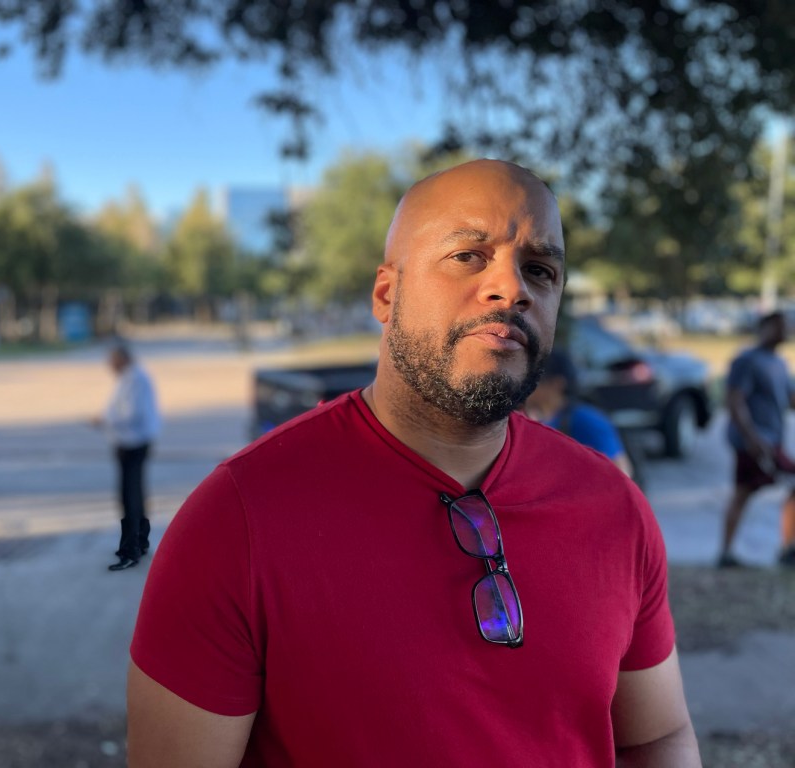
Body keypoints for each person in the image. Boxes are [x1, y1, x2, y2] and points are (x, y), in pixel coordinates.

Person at [127, 160, 700, 766]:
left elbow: (656, 737)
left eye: (540, 269)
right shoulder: (236, 520)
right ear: (386, 293)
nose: (513, 288)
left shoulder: (614, 509)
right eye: (469, 256)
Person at [718, 310, 795, 569]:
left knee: (748, 492)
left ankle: (788, 548)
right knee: (742, 492)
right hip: (753, 442)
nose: (785, 330)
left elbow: (790, 399)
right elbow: (735, 400)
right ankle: (726, 553)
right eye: (779, 326)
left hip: (773, 442)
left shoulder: (779, 363)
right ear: (764, 327)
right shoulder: (747, 361)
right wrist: (752, 437)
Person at [94, 341, 160, 572]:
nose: (109, 365)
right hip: (127, 441)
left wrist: (104, 421)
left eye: (112, 360)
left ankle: (135, 544)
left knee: (131, 496)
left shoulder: (136, 378)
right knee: (131, 495)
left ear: (121, 358)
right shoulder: (129, 377)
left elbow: (132, 413)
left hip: (134, 442)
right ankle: (136, 542)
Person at [525, 347, 636, 479]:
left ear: (557, 384)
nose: (526, 387)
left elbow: (621, 475)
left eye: (533, 381)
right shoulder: (542, 419)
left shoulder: (585, 420)